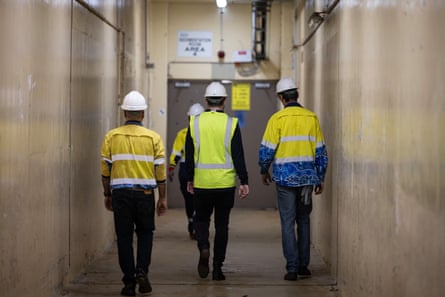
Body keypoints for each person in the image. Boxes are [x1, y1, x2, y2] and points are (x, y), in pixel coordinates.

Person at [258, 77, 328, 281]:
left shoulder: (277, 120)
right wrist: (320, 177)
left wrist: (264, 170)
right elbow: (321, 151)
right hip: (307, 179)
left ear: (281, 97)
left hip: (284, 179)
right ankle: (304, 266)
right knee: (304, 220)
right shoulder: (311, 118)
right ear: (297, 95)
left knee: (287, 222)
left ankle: (291, 268)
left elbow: (266, 150)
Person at [100, 90, 167, 296]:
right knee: (146, 234)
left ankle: (129, 283)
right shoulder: (153, 138)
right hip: (145, 195)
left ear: (125, 113)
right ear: (143, 115)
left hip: (120, 195)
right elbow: (160, 172)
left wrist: (107, 194)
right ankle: (141, 271)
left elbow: (105, 171)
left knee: (124, 237)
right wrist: (162, 198)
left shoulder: (112, 136)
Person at [185, 82, 250, 281]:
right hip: (225, 185)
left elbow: (189, 154)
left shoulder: (194, 123)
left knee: (201, 220)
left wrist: (190, 178)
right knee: (222, 226)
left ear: (206, 100)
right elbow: (238, 155)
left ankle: (204, 247)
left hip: (202, 183)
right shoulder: (231, 124)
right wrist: (244, 180)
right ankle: (217, 268)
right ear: (225, 101)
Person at [168, 103, 205, 240]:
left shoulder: (184, 133)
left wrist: (172, 167)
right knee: (194, 200)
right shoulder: (184, 134)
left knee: (192, 200)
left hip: (192, 169)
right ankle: (194, 223)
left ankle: (194, 223)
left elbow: (176, 154)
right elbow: (176, 153)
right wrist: (172, 166)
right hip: (194, 169)